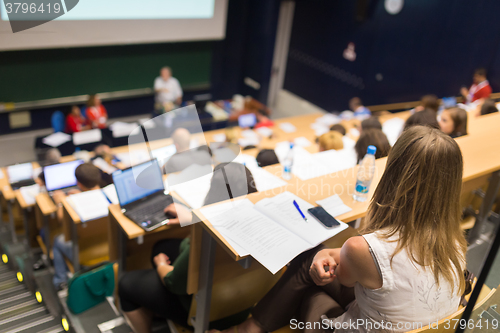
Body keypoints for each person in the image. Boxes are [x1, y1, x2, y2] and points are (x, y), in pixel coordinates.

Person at [216, 126, 466, 333]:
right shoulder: (455, 242)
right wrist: (332, 255)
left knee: (309, 287)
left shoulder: (363, 249)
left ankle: (249, 328)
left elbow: (345, 273)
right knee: (314, 261)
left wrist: (332, 256)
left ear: (393, 174)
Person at [119, 162, 257, 333]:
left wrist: (161, 264)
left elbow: (173, 282)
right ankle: (157, 308)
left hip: (207, 313)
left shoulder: (208, 239)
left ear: (214, 191)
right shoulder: (253, 223)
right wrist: (194, 217)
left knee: (125, 284)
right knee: (161, 246)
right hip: (242, 303)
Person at [51, 163, 104, 289]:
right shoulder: (109, 194)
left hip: (84, 254)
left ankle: (60, 280)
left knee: (57, 240)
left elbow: (60, 219)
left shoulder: (75, 202)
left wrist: (60, 202)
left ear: (79, 183)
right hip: (110, 248)